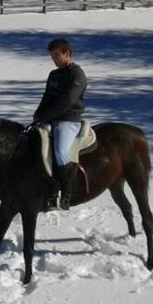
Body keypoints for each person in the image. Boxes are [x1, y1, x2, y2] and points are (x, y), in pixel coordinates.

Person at [32, 38, 87, 210]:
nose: (53, 59)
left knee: (60, 151)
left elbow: (67, 101)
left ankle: (66, 194)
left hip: (68, 120)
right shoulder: (53, 75)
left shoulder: (77, 74)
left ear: (67, 53)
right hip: (49, 119)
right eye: (51, 56)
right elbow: (47, 97)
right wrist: (38, 114)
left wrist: (46, 116)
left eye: (56, 55)